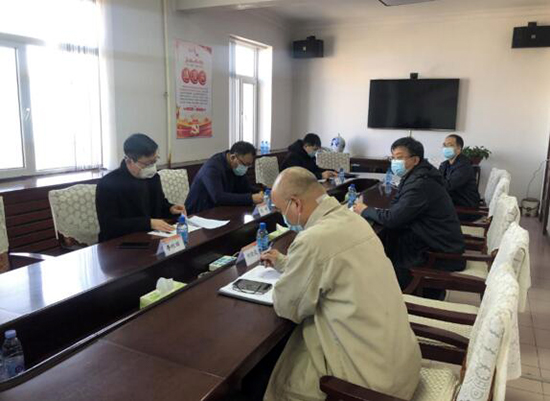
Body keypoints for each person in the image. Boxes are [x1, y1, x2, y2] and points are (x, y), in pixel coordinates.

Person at [260, 167, 421, 401]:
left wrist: (289, 273)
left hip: (371, 387)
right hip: (400, 366)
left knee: (287, 377)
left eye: (279, 209)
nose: (280, 216)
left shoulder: (313, 240)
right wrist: (286, 263)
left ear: (295, 204)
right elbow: (331, 266)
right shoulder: (353, 219)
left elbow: (288, 307)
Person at [353, 137, 465, 290]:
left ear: (415, 160)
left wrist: (365, 210)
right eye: (393, 158)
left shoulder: (420, 183)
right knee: (389, 240)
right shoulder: (418, 175)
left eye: (399, 158)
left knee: (384, 246)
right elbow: (398, 205)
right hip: (433, 238)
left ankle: (398, 289)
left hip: (439, 252)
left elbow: (393, 219)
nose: (394, 162)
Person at [96, 133, 186, 242]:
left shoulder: (153, 177)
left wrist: (170, 209)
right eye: (147, 164)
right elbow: (109, 225)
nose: (151, 167)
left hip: (151, 237)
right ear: (129, 161)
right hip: (118, 243)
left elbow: (159, 205)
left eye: (154, 161)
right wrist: (148, 223)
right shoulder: (108, 184)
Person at [184, 141, 264, 214]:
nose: (246, 168)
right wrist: (250, 198)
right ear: (233, 157)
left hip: (220, 210)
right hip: (199, 212)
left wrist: (259, 191)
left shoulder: (237, 166)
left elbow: (245, 187)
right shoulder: (212, 168)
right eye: (245, 164)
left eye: (249, 165)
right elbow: (218, 197)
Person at [439, 134, 481, 220]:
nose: (446, 148)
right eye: (444, 145)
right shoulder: (445, 165)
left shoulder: (464, 166)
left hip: (465, 209)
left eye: (450, 145)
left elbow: (448, 186)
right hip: (452, 204)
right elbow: (437, 180)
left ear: (459, 149)